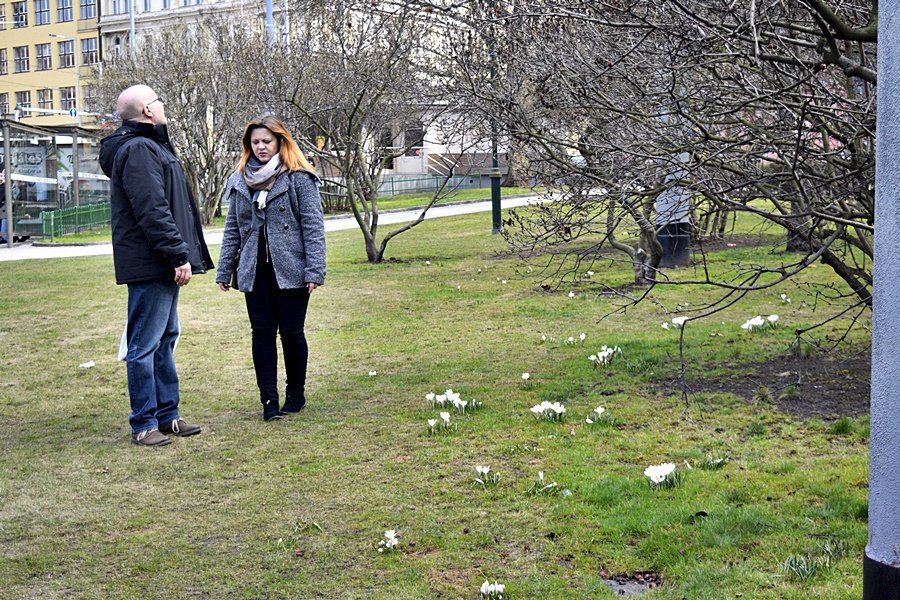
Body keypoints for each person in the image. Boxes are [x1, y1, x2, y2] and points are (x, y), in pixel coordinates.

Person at [99, 84, 214, 447]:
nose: (163, 105)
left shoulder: (149, 145)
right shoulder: (138, 149)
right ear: (148, 111)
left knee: (165, 339)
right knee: (145, 345)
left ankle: (167, 416)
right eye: (159, 100)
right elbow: (152, 210)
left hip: (158, 262)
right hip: (153, 264)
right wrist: (177, 254)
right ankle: (144, 423)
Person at [216, 115, 326, 422]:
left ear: (280, 141)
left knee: (292, 333)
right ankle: (269, 400)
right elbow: (233, 230)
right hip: (255, 272)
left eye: (267, 141)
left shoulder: (299, 177)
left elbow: (313, 227)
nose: (261, 147)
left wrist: (314, 271)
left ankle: (295, 395)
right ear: (248, 145)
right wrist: (225, 270)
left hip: (291, 269)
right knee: (261, 333)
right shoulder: (240, 180)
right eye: (255, 142)